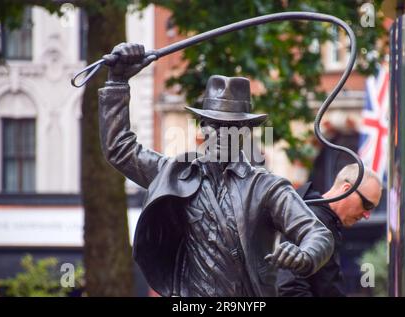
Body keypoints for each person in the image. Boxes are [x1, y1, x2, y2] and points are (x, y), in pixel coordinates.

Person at [98, 42, 334, 297]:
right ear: (203, 127)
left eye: (232, 126)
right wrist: (117, 83)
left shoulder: (266, 188)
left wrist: (305, 255)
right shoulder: (175, 175)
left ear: (246, 131)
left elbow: (317, 233)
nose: (222, 133)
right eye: (214, 124)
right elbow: (120, 148)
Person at [277, 163, 383, 297]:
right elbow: (290, 287)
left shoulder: (319, 218)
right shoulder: (310, 220)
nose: (367, 215)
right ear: (347, 189)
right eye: (367, 205)